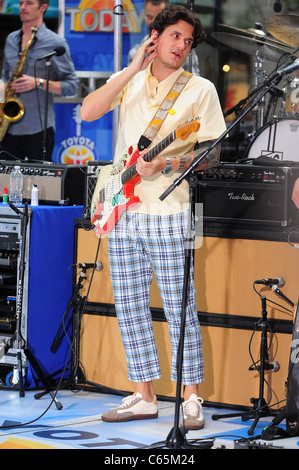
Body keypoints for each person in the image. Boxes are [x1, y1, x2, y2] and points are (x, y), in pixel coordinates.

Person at [81, 4, 226, 430]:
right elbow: (88, 112)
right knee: (129, 306)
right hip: (122, 208)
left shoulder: (200, 89)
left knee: (181, 307)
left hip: (171, 209)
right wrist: (130, 69)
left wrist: (168, 165)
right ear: (155, 39)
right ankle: (143, 395)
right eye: (174, 36)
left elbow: (213, 153)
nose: (181, 45)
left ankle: (191, 396)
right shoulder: (131, 82)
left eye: (187, 39)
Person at [0, 0, 78, 162]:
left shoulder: (56, 43)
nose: (22, 7)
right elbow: (6, 77)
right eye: (21, 3)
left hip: (38, 130)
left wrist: (38, 82)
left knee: (40, 183)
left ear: (43, 7)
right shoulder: (11, 39)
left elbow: (72, 86)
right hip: (8, 128)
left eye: (29, 3)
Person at [127, 0, 200, 75]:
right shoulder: (135, 52)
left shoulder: (183, 51)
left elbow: (195, 82)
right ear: (144, 15)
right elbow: (129, 84)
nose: (153, 22)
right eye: (150, 17)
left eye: (158, 18)